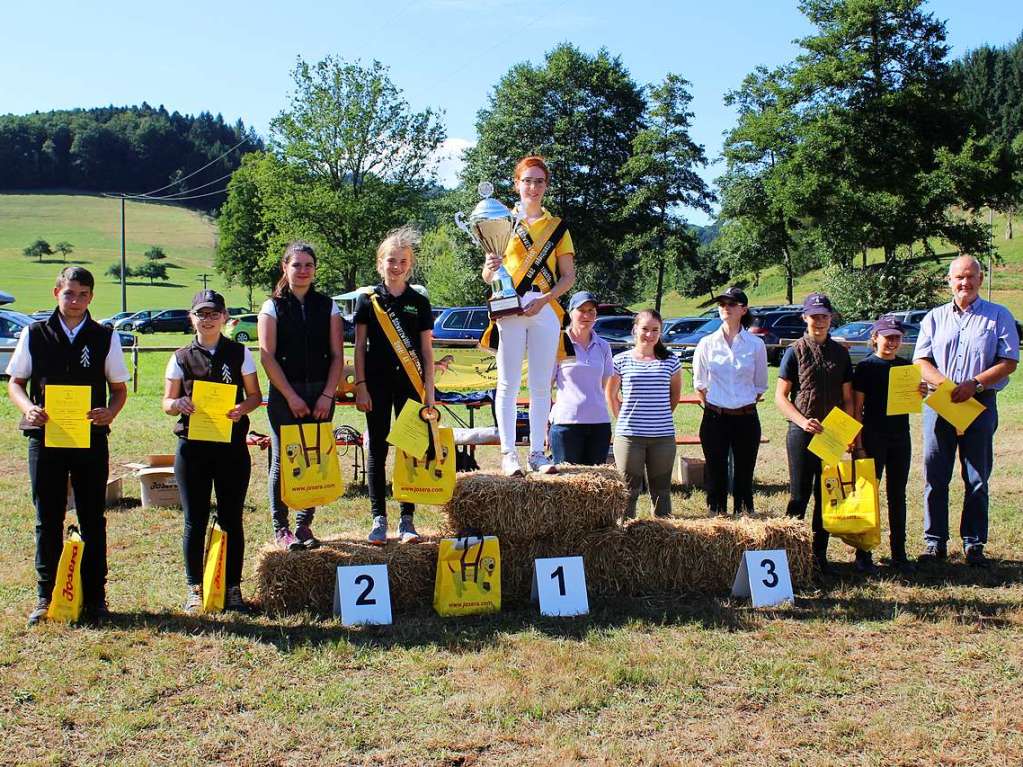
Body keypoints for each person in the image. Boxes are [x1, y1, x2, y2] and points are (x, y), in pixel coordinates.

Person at [6, 266, 129, 625]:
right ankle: (46, 596)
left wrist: (111, 411)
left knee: (93, 517)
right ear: (56, 292)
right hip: (45, 439)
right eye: (69, 293)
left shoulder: (105, 336)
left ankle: (95, 598)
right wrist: (28, 407)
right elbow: (16, 382)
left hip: (89, 439)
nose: (75, 301)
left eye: (82, 294)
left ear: (91, 297)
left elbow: (119, 389)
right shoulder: (34, 333)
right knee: (48, 518)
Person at [914, 255, 1019, 567]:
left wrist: (975, 384)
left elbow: (1009, 361)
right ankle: (935, 543)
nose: (965, 282)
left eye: (971, 276)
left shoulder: (998, 315)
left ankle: (974, 544)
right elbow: (921, 360)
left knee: (976, 477)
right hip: (940, 402)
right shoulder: (933, 317)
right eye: (959, 277)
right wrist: (946, 388)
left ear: (981, 279)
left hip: (979, 403)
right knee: (935, 475)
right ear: (949, 280)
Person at [163, 290, 262, 612]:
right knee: (195, 519)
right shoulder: (180, 357)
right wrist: (178, 403)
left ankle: (232, 588)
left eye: (213, 314)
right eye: (201, 314)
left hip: (231, 447)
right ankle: (195, 588)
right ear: (192, 318)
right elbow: (167, 403)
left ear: (224, 317)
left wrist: (240, 408)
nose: (207, 319)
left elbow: (255, 396)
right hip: (193, 449)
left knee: (232, 518)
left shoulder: (239, 352)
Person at [480, 155, 575, 477]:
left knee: (539, 386)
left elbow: (568, 276)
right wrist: (490, 271)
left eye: (539, 181)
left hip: (543, 309)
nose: (533, 187)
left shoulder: (557, 227)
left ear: (546, 186)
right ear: (516, 184)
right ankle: (508, 453)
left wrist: (546, 298)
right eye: (527, 181)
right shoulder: (501, 220)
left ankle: (536, 452)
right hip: (509, 310)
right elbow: (488, 273)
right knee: (506, 383)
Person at [258, 242, 344, 550]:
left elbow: (337, 355)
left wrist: (326, 395)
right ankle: (281, 529)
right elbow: (267, 357)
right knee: (284, 459)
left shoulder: (328, 305)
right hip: (285, 394)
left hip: (321, 393)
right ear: (285, 267)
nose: (303, 270)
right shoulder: (272, 307)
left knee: (314, 457)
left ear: (315, 269)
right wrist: (291, 397)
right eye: (297, 265)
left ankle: (304, 525)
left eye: (308, 265)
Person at [353, 226, 435, 545]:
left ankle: (407, 519)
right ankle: (378, 518)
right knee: (377, 448)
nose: (396, 266)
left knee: (409, 448)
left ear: (409, 265)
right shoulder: (367, 301)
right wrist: (360, 384)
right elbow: (359, 347)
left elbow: (427, 351)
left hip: (411, 385)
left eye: (402, 261)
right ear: (379, 263)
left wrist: (428, 391)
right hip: (375, 384)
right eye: (390, 260)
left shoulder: (419, 301)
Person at [774, 292, 854, 574]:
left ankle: (819, 556)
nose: (819, 321)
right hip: (801, 431)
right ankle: (789, 555)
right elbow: (781, 397)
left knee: (826, 495)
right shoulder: (794, 351)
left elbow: (847, 398)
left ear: (831, 319)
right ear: (804, 318)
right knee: (799, 494)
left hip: (831, 433)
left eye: (824, 316)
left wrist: (848, 430)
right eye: (814, 316)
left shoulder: (841, 353)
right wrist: (801, 420)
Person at [851, 316, 926, 575]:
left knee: (898, 495)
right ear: (875, 338)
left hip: (899, 437)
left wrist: (920, 391)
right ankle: (863, 555)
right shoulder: (865, 368)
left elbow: (910, 402)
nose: (892, 342)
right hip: (873, 437)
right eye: (887, 336)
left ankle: (899, 553)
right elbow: (857, 409)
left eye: (897, 337)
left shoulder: (906, 368)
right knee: (868, 496)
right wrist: (858, 443)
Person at [692, 287, 768, 517]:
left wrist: (740, 405)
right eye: (722, 303)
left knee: (744, 475)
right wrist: (718, 406)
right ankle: (716, 518)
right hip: (715, 417)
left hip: (746, 418)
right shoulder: (706, 343)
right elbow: (700, 384)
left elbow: (760, 386)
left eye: (732, 304)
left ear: (743, 310)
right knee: (716, 474)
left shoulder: (756, 345)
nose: (725, 308)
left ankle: (745, 518)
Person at [606, 309, 683, 519]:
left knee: (661, 493)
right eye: (645, 329)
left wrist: (659, 416)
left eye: (655, 330)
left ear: (661, 332)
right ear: (635, 330)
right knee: (628, 492)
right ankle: (625, 535)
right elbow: (611, 395)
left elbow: (674, 395)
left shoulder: (671, 361)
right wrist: (624, 420)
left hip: (663, 438)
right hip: (630, 438)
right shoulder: (620, 360)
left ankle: (662, 537)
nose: (649, 334)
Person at [548, 291, 614, 465]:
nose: (587, 315)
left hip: (599, 423)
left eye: (591, 310)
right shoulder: (558, 343)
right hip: (566, 424)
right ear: (570, 313)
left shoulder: (604, 346)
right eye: (581, 310)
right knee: (566, 486)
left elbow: (604, 383)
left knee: (594, 485)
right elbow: (545, 386)